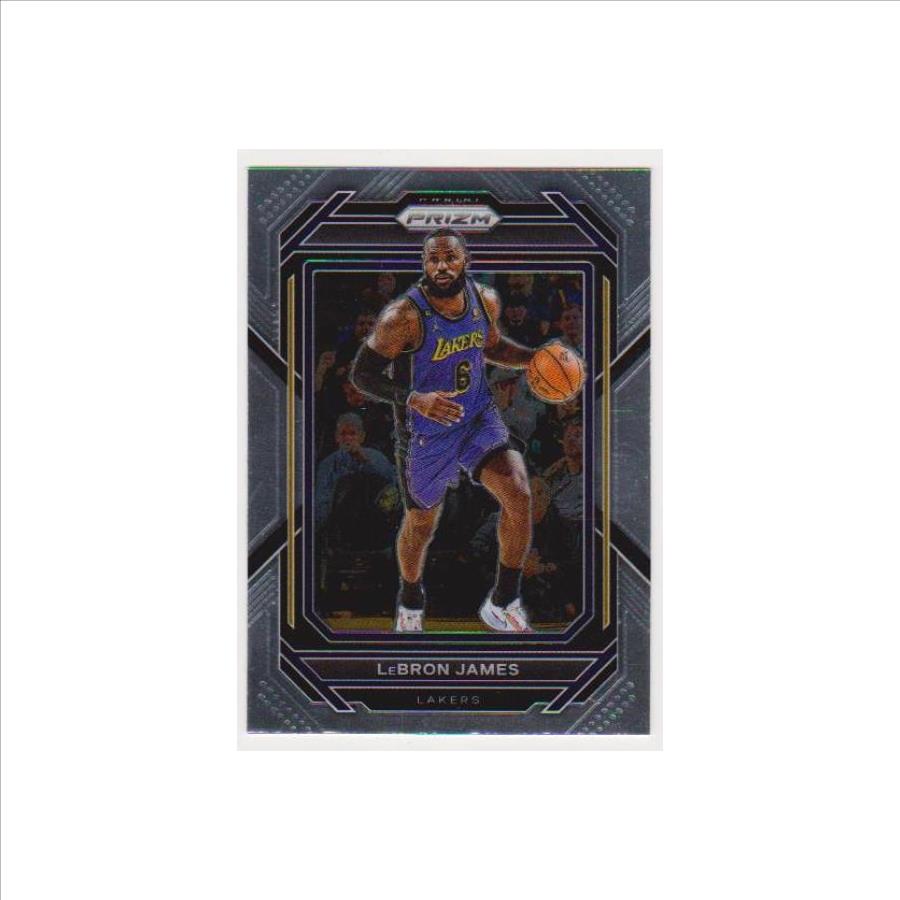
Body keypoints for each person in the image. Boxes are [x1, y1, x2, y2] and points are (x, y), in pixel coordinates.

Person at [351, 228, 583, 633]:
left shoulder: (484, 300)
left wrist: (533, 359)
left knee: (519, 492)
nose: (442, 266)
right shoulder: (402, 317)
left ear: (464, 261)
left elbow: (490, 346)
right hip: (426, 431)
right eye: (433, 259)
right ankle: (410, 600)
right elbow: (362, 374)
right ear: (425, 264)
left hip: (476, 416)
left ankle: (503, 601)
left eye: (450, 258)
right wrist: (413, 398)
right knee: (422, 523)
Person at [314, 413, 395, 530]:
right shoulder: (327, 465)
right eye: (343, 434)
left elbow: (391, 489)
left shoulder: (377, 458)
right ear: (336, 437)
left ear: (362, 437)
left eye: (352, 433)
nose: (348, 438)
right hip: (340, 528)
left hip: (375, 525)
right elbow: (321, 503)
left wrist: (364, 461)